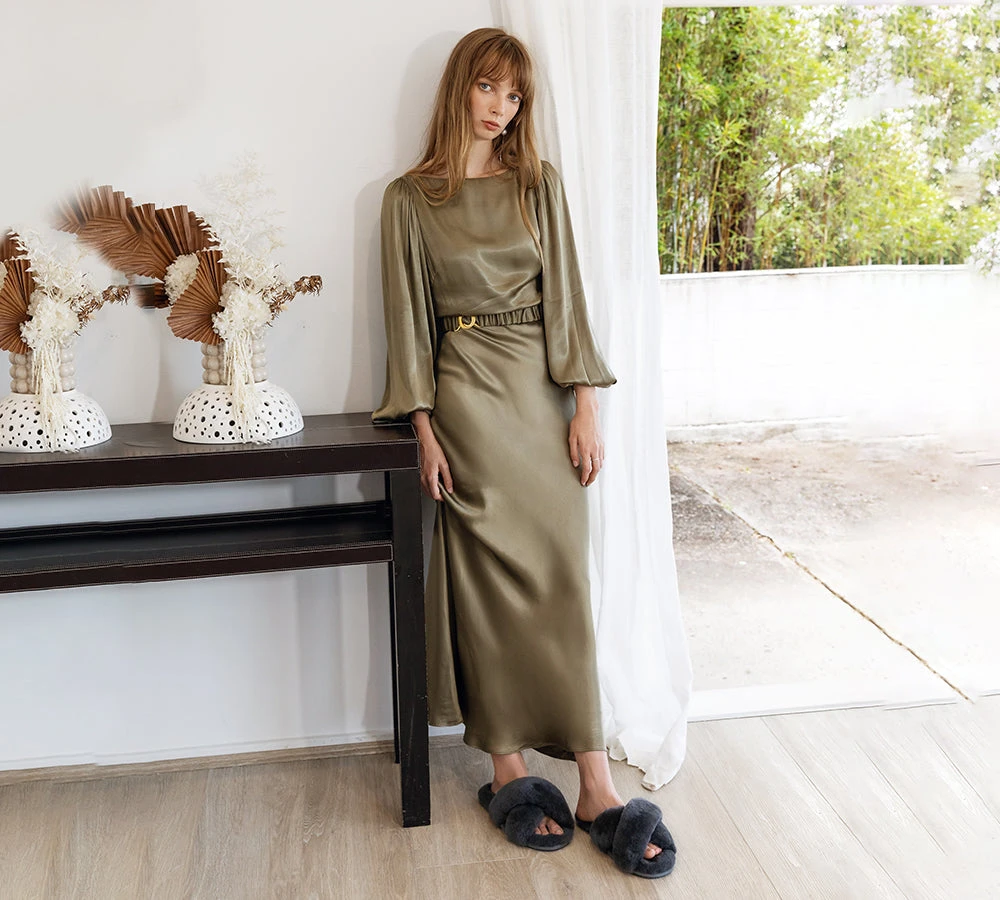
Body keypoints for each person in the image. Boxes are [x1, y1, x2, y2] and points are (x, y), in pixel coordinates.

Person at [373, 27, 675, 878]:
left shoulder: (538, 183)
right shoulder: (408, 199)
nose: (502, 108)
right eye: (489, 88)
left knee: (564, 578)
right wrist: (423, 428)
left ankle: (595, 782)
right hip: (466, 395)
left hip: (541, 396)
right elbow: (408, 322)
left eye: (515, 96)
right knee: (487, 582)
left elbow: (567, 298)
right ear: (460, 87)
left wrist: (585, 407)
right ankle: (507, 769)